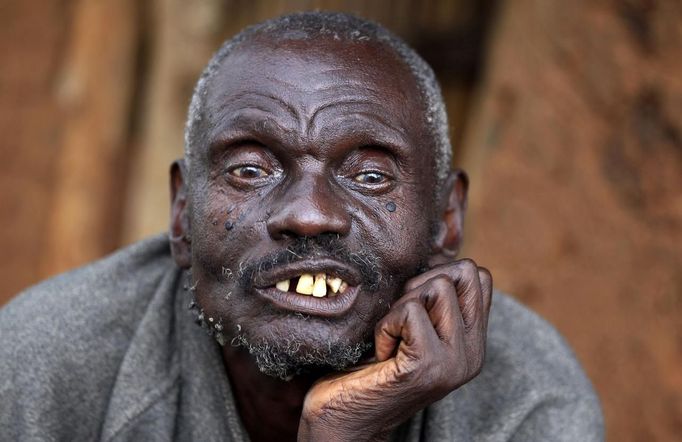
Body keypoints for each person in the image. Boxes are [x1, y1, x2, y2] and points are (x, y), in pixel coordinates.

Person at [0, 12, 603, 442]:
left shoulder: (526, 403)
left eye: (369, 177)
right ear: (182, 212)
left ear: (446, 219)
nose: (310, 213)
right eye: (250, 169)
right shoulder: (44, 370)